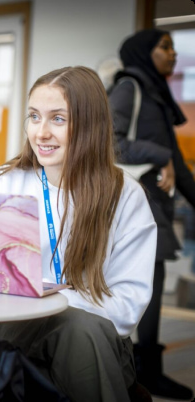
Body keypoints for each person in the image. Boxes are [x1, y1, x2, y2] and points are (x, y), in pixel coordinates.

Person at [0, 66, 155, 402]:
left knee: (79, 329)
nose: (41, 132)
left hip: (97, 339)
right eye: (34, 117)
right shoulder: (2, 186)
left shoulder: (125, 195)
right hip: (12, 329)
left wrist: (54, 300)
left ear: (89, 125)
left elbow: (127, 309)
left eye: (58, 119)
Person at [109, 28, 195, 401]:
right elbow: (110, 142)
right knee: (149, 283)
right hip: (134, 200)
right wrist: (158, 155)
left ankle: (144, 369)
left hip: (153, 202)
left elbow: (178, 162)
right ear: (144, 52)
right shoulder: (130, 86)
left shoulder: (157, 95)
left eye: (174, 48)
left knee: (154, 281)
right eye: (165, 47)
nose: (173, 54)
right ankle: (143, 370)